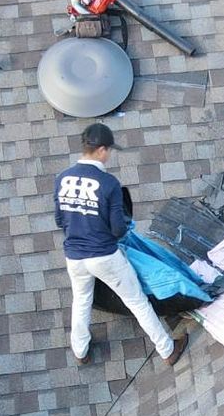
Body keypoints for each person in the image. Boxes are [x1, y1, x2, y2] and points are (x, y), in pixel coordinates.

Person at [55, 123, 185, 369]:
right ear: (102, 150)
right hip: (104, 256)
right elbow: (118, 229)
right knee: (136, 301)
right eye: (109, 150)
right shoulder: (108, 183)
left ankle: (80, 351)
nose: (109, 155)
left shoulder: (62, 179)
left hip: (74, 256)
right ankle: (167, 349)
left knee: (81, 299)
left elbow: (60, 220)